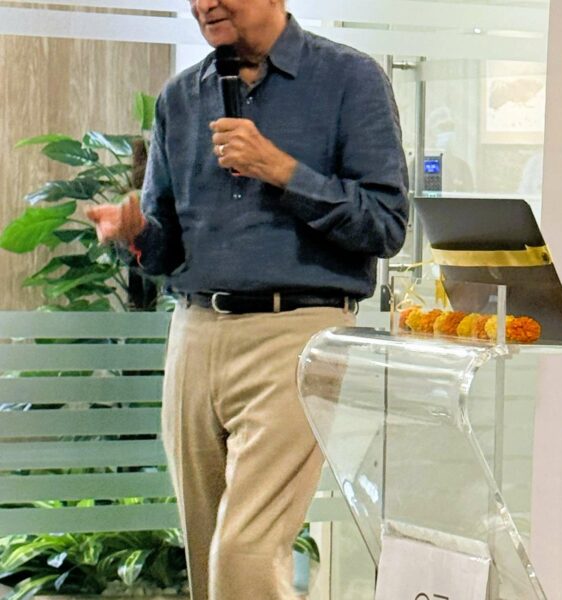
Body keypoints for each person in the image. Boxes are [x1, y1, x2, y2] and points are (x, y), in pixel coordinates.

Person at [86, 0, 408, 598]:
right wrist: (136, 234)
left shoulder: (348, 79)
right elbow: (165, 245)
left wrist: (283, 170)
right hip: (194, 332)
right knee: (207, 553)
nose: (204, 4)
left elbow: (386, 225)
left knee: (245, 553)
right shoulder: (181, 98)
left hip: (298, 331)